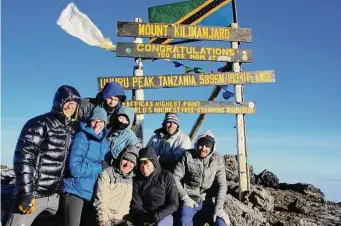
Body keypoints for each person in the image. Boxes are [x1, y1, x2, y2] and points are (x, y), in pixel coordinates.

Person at [6, 85, 81, 226]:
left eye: (74, 104)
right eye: (68, 103)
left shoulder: (73, 129)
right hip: (35, 194)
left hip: (56, 196)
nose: (71, 107)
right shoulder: (39, 123)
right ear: (59, 103)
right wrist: (26, 194)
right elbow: (24, 159)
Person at [60, 107, 110, 226]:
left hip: (91, 193)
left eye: (101, 121)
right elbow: (75, 168)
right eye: (94, 120)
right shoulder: (82, 136)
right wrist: (99, 167)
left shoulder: (105, 142)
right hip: (75, 191)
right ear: (89, 121)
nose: (97, 124)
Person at [173, 130, 231, 226]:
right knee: (184, 222)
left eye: (207, 146)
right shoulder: (187, 155)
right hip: (190, 199)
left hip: (207, 201)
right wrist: (184, 197)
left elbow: (222, 185)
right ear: (196, 144)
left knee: (221, 223)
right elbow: (175, 177)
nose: (203, 148)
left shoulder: (217, 159)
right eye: (201, 144)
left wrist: (219, 208)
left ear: (212, 147)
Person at [130, 147, 179, 226]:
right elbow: (137, 205)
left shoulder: (166, 176)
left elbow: (174, 204)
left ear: (154, 163)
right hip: (145, 216)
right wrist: (145, 217)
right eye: (142, 166)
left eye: (147, 165)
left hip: (164, 215)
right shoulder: (137, 180)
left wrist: (158, 215)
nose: (145, 170)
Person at [93, 146, 139, 226]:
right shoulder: (107, 174)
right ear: (121, 158)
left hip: (124, 221)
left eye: (132, 162)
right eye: (126, 160)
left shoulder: (133, 179)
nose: (128, 164)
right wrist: (103, 222)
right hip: (108, 220)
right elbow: (100, 201)